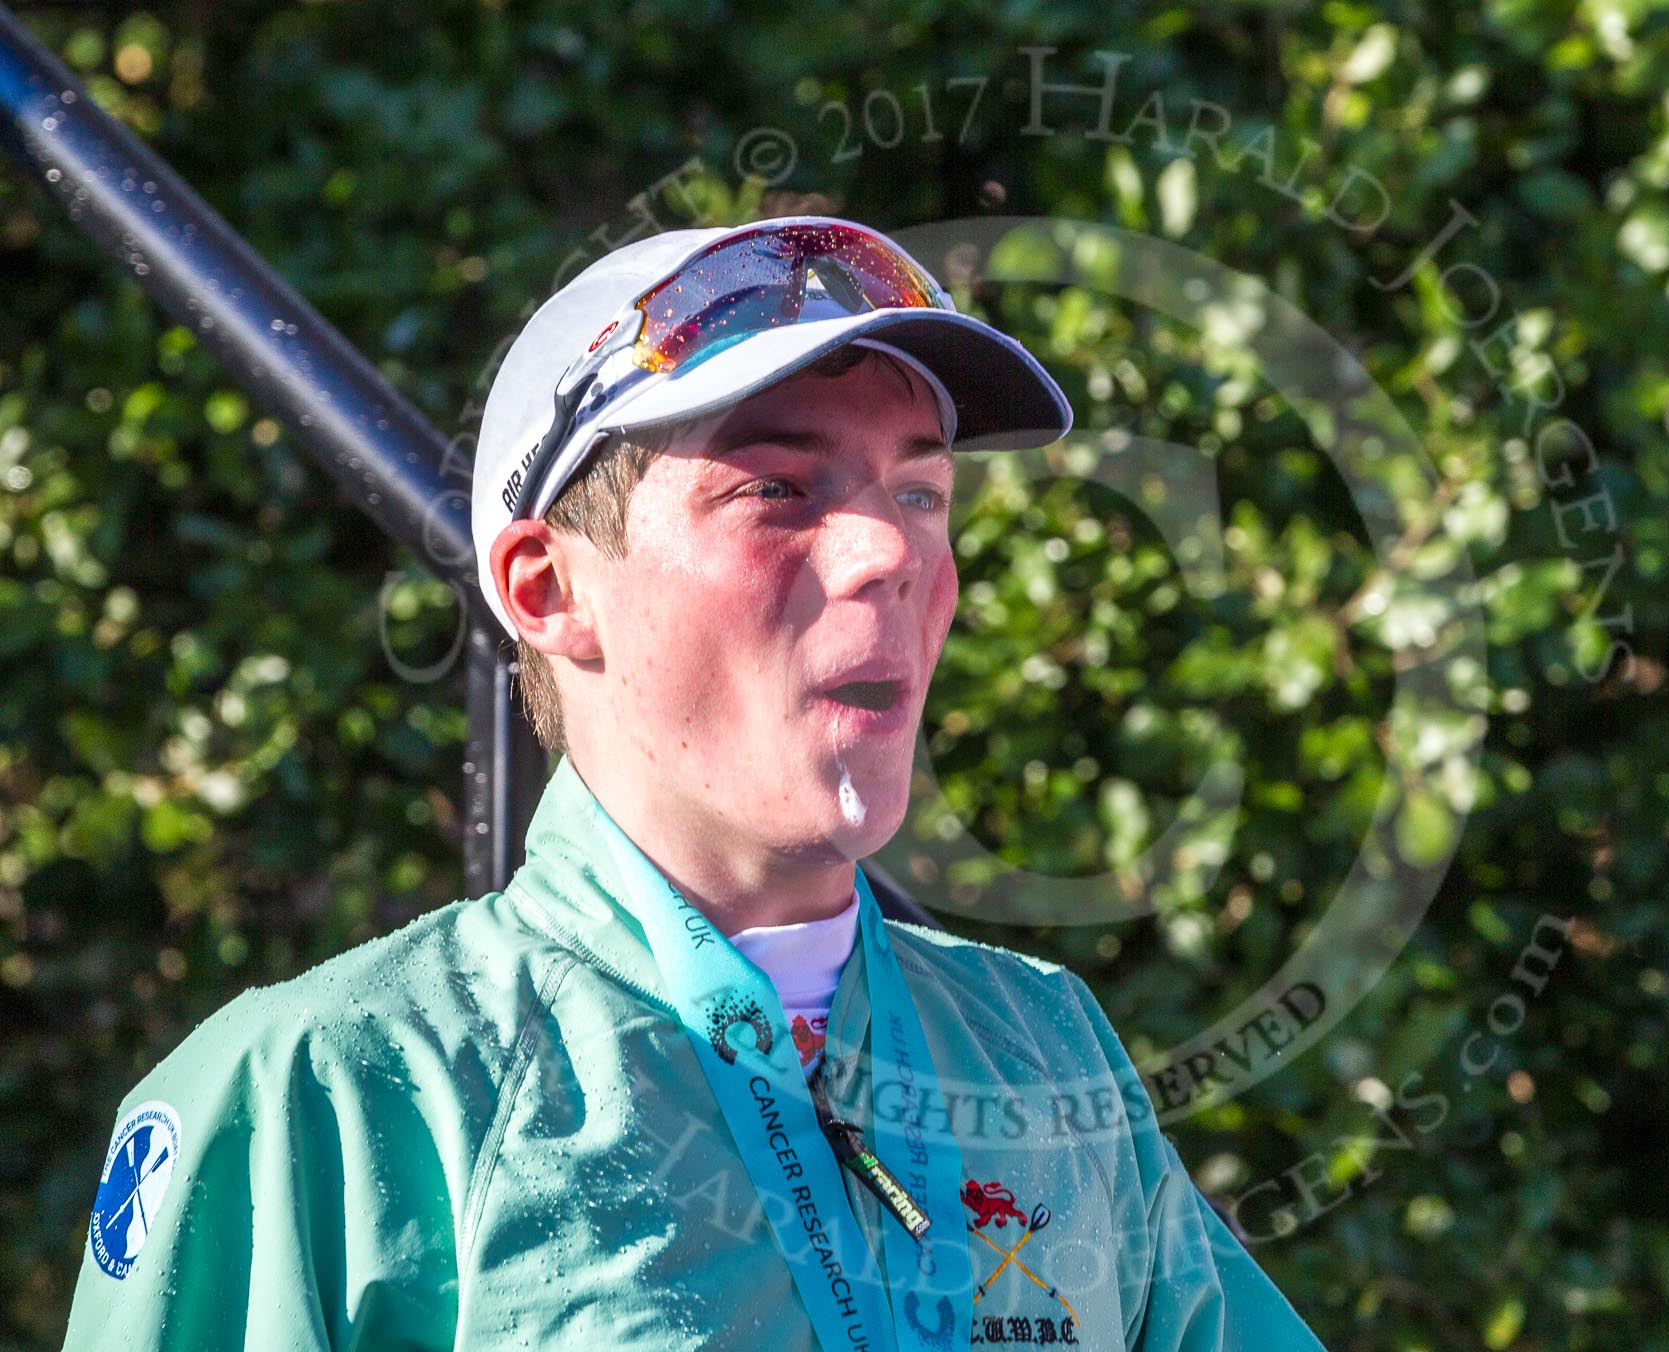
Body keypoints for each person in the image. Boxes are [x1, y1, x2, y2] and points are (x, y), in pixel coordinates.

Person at [61, 215, 1326, 1350]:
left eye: (922, 488)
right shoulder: (321, 1087)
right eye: (776, 487)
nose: (892, 550)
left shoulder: (1045, 1050)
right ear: (547, 589)